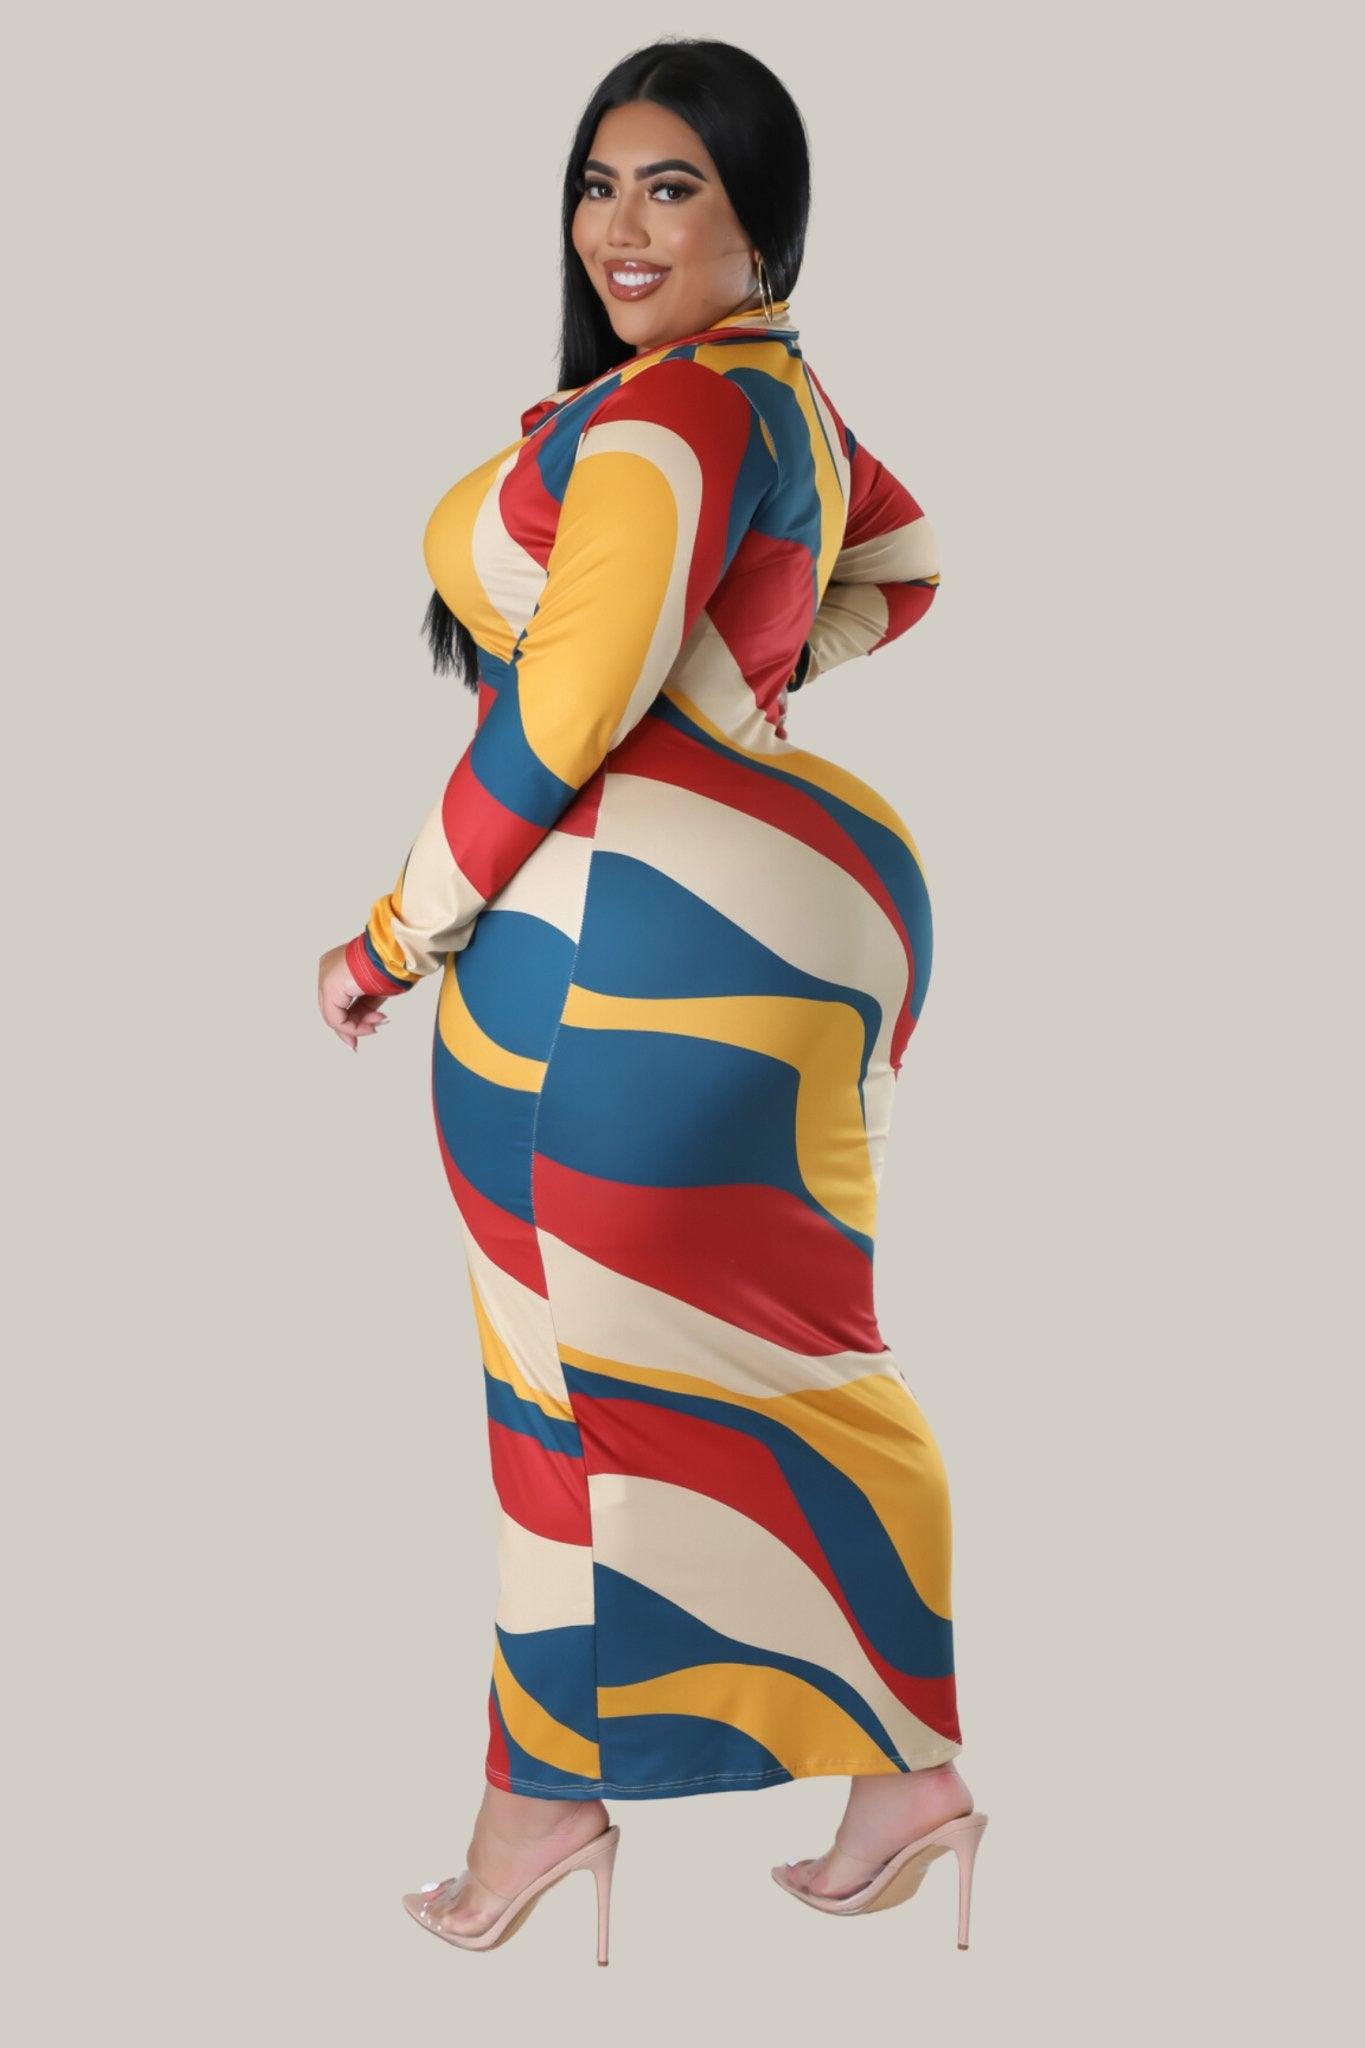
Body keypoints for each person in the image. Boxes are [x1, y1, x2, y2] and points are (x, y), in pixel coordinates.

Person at [317, 36, 989, 1961]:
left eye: (672, 186)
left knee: (563, 1394)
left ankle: (540, 1807)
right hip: (795, 925)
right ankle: (910, 1775)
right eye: (598, 185)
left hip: (616, 950)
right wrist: (744, 702)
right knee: (801, 1353)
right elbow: (906, 565)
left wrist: (391, 934)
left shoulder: (673, 414)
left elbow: (561, 710)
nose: (621, 226)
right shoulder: (781, 398)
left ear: (761, 218)